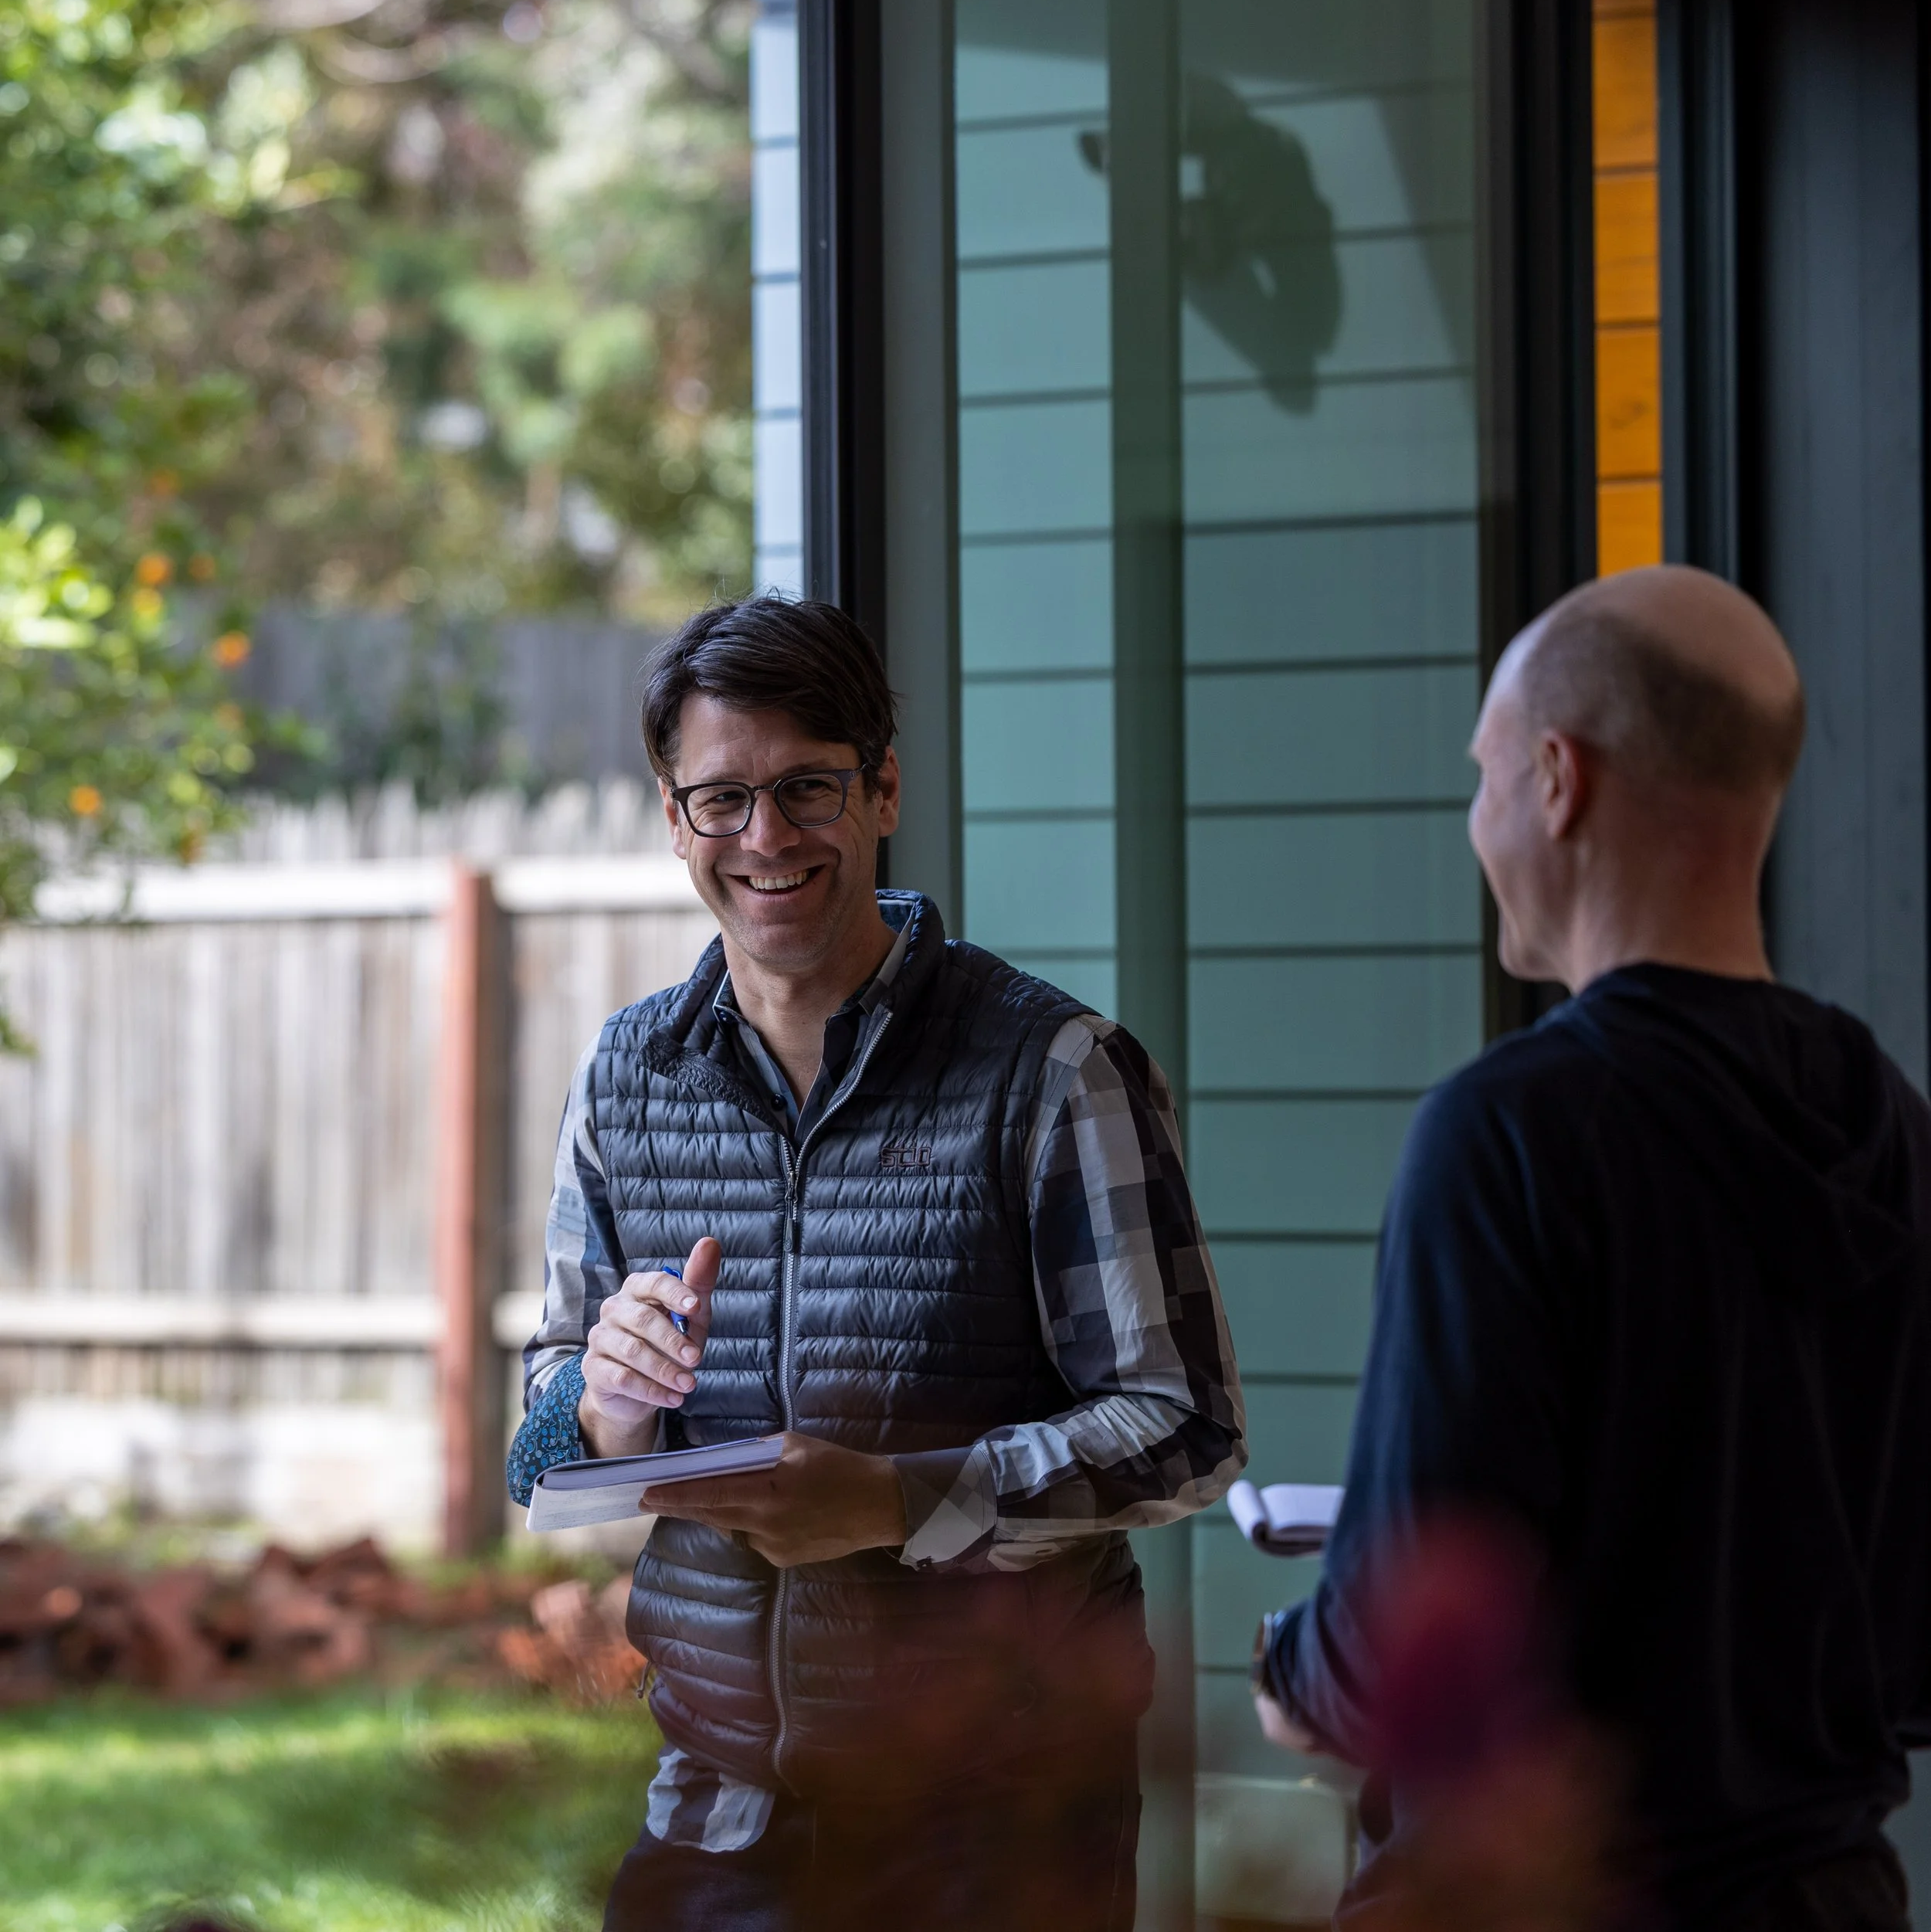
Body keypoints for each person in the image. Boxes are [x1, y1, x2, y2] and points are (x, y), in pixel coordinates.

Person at [507, 595, 1245, 1932]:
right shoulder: (628, 1075)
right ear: (673, 819)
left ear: (883, 788)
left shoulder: (1056, 1071)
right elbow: (543, 1435)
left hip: (999, 1823)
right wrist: (602, 1408)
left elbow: (1183, 1427)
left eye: (807, 789)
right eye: (721, 799)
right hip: (714, 1811)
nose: (767, 838)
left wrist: (900, 1503)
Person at [1253, 566, 1931, 1931]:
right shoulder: (1888, 1120)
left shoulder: (1509, 1133)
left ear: (1557, 780)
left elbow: (1399, 1636)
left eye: (1483, 773)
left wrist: (1290, 1672)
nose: (1476, 817)